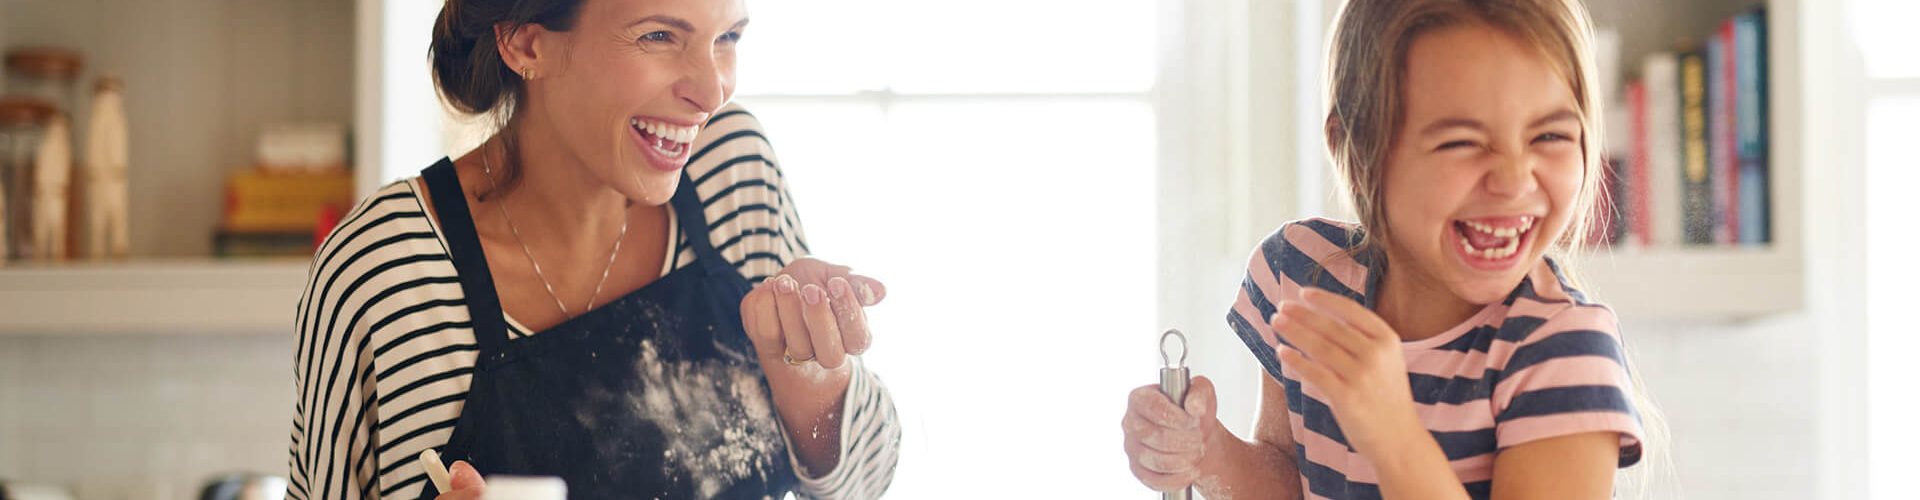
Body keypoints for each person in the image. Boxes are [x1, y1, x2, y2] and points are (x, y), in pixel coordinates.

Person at [289, 0, 899, 498]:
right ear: (526, 44)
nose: (711, 91)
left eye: (728, 37)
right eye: (660, 35)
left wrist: (813, 371)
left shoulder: (728, 169)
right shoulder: (388, 270)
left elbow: (867, 479)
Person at [1122, 0, 1650, 498]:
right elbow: (1292, 483)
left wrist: (1392, 435)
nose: (1514, 180)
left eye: (1550, 136)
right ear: (1354, 146)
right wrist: (1207, 453)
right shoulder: (1301, 276)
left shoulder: (1561, 351)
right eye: (1461, 142)